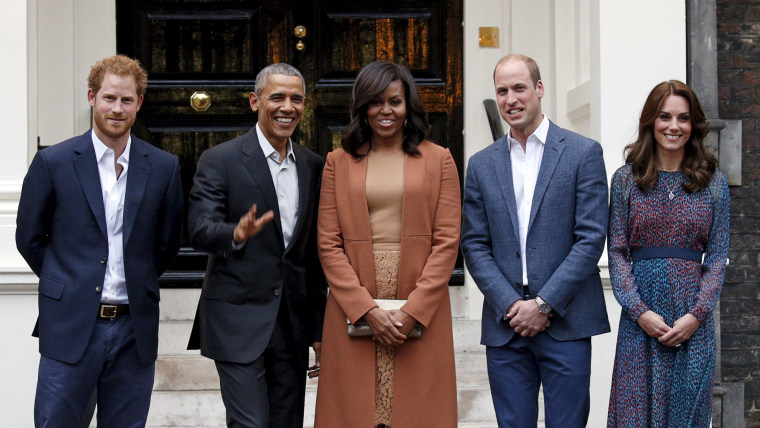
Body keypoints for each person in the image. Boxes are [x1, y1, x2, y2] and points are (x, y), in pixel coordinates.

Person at [15, 54, 184, 427]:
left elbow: (167, 243)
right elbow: (29, 237)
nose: (117, 108)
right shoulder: (54, 162)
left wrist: (138, 280)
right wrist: (67, 280)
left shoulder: (163, 167)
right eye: (109, 98)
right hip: (72, 326)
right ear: (91, 97)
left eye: (126, 100)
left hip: (133, 330)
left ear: (139, 104)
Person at [460, 54, 610, 427]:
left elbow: (590, 239)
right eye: (502, 91)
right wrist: (512, 305)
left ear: (539, 89)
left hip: (567, 320)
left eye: (519, 88)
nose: (511, 99)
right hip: (505, 325)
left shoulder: (582, 152)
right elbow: (474, 244)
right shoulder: (481, 164)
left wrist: (543, 305)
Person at [314, 61, 460, 427]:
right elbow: (329, 244)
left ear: (408, 104)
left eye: (394, 101)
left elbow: (447, 242)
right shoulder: (337, 162)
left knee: (420, 412)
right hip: (355, 298)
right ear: (362, 106)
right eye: (375, 102)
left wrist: (413, 310)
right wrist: (365, 310)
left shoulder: (439, 159)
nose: (385, 111)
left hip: (420, 297)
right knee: (353, 412)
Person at [186, 63, 327, 428]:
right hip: (237, 319)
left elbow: (311, 258)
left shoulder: (313, 166)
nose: (287, 107)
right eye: (277, 97)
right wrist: (235, 233)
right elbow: (199, 228)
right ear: (255, 101)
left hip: (292, 324)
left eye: (296, 99)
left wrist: (318, 330)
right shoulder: (220, 160)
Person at [607, 80, 730, 427]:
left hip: (692, 326)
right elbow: (616, 252)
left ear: (694, 125)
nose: (674, 126)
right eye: (665, 116)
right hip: (639, 325)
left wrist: (696, 315)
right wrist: (639, 311)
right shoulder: (626, 180)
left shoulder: (714, 183)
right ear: (651, 121)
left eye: (683, 118)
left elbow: (717, 258)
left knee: (686, 417)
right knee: (634, 416)